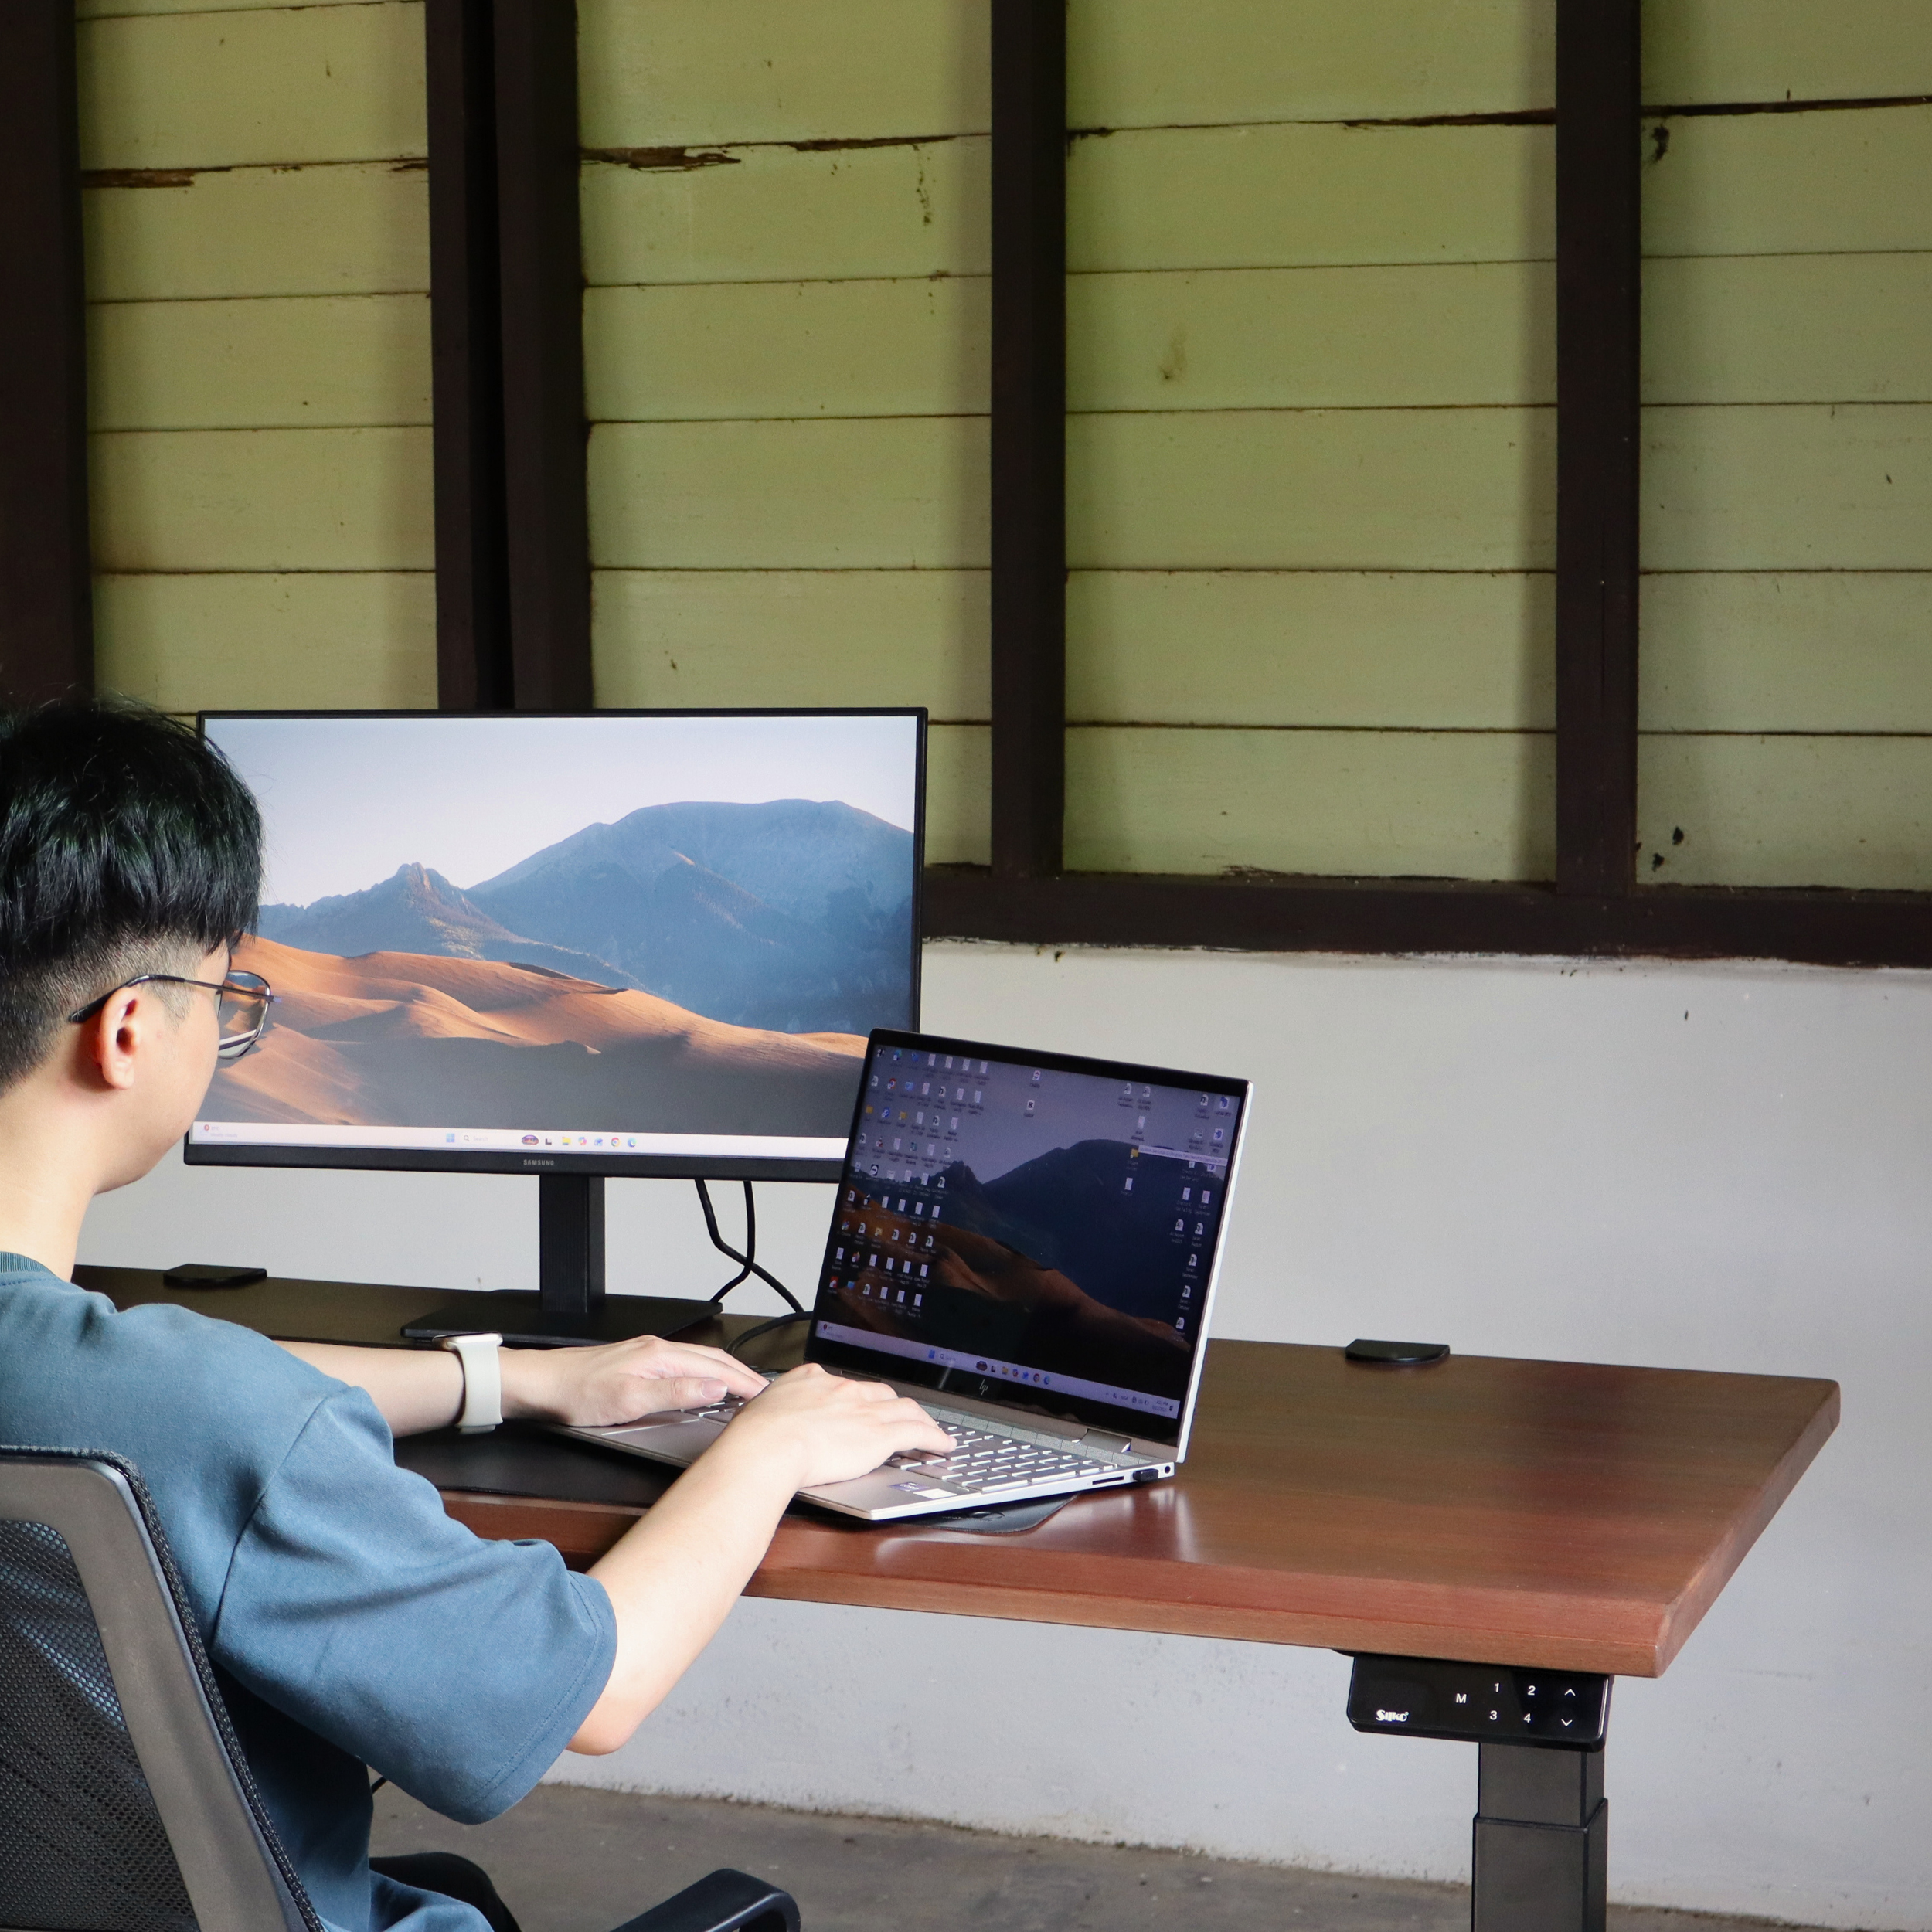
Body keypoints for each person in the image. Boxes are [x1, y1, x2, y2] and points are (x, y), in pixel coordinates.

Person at [0, 699, 951, 1932]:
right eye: (231, 1002)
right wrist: (772, 1446)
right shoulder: (205, 1417)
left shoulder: (135, 1387)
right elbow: (596, 1689)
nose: (233, 1030)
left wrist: (507, 1378)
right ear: (131, 1031)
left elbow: (153, 1381)